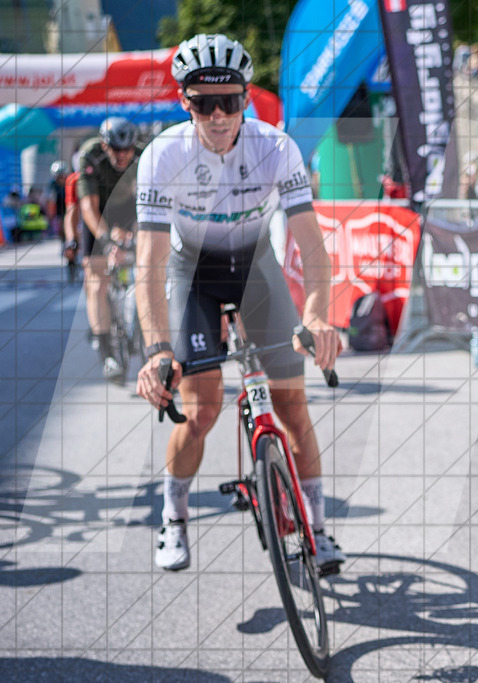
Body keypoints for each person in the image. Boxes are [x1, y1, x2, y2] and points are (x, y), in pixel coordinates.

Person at [133, 33, 344, 574]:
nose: (218, 115)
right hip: (193, 274)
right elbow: (149, 264)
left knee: (292, 405)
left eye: (229, 101)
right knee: (201, 410)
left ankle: (319, 527)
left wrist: (316, 316)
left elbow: (313, 247)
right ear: (184, 102)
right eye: (203, 102)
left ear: (246, 98)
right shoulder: (163, 156)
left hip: (255, 269)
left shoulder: (277, 148)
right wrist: (156, 349)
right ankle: (173, 516)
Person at [76, 116, 144, 383]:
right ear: (104, 146)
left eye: (128, 149)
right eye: (116, 150)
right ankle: (107, 355)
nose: (123, 155)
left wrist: (137, 232)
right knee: (97, 282)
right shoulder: (90, 155)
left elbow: (147, 202)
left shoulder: (143, 156)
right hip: (98, 212)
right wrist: (106, 240)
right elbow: (88, 207)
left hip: (127, 210)